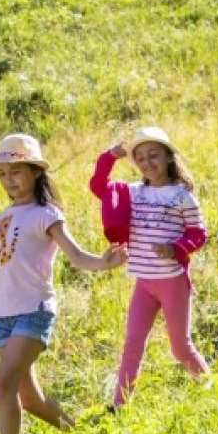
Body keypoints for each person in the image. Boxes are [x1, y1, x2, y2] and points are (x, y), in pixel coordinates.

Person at [0, 133, 127, 434]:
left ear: (36, 171)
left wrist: (103, 262)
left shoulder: (47, 214)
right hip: (0, 314)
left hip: (33, 310)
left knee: (4, 384)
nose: (8, 180)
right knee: (29, 399)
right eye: (2, 174)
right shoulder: (4, 215)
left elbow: (77, 255)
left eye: (15, 172)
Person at [89, 127, 209, 409]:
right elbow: (98, 186)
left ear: (168, 157)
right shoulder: (131, 193)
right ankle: (120, 406)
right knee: (132, 344)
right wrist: (110, 156)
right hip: (144, 283)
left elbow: (198, 233)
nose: (147, 162)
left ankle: (209, 386)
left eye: (154, 155)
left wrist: (176, 248)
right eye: (140, 158)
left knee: (180, 348)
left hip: (172, 282)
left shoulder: (182, 196)